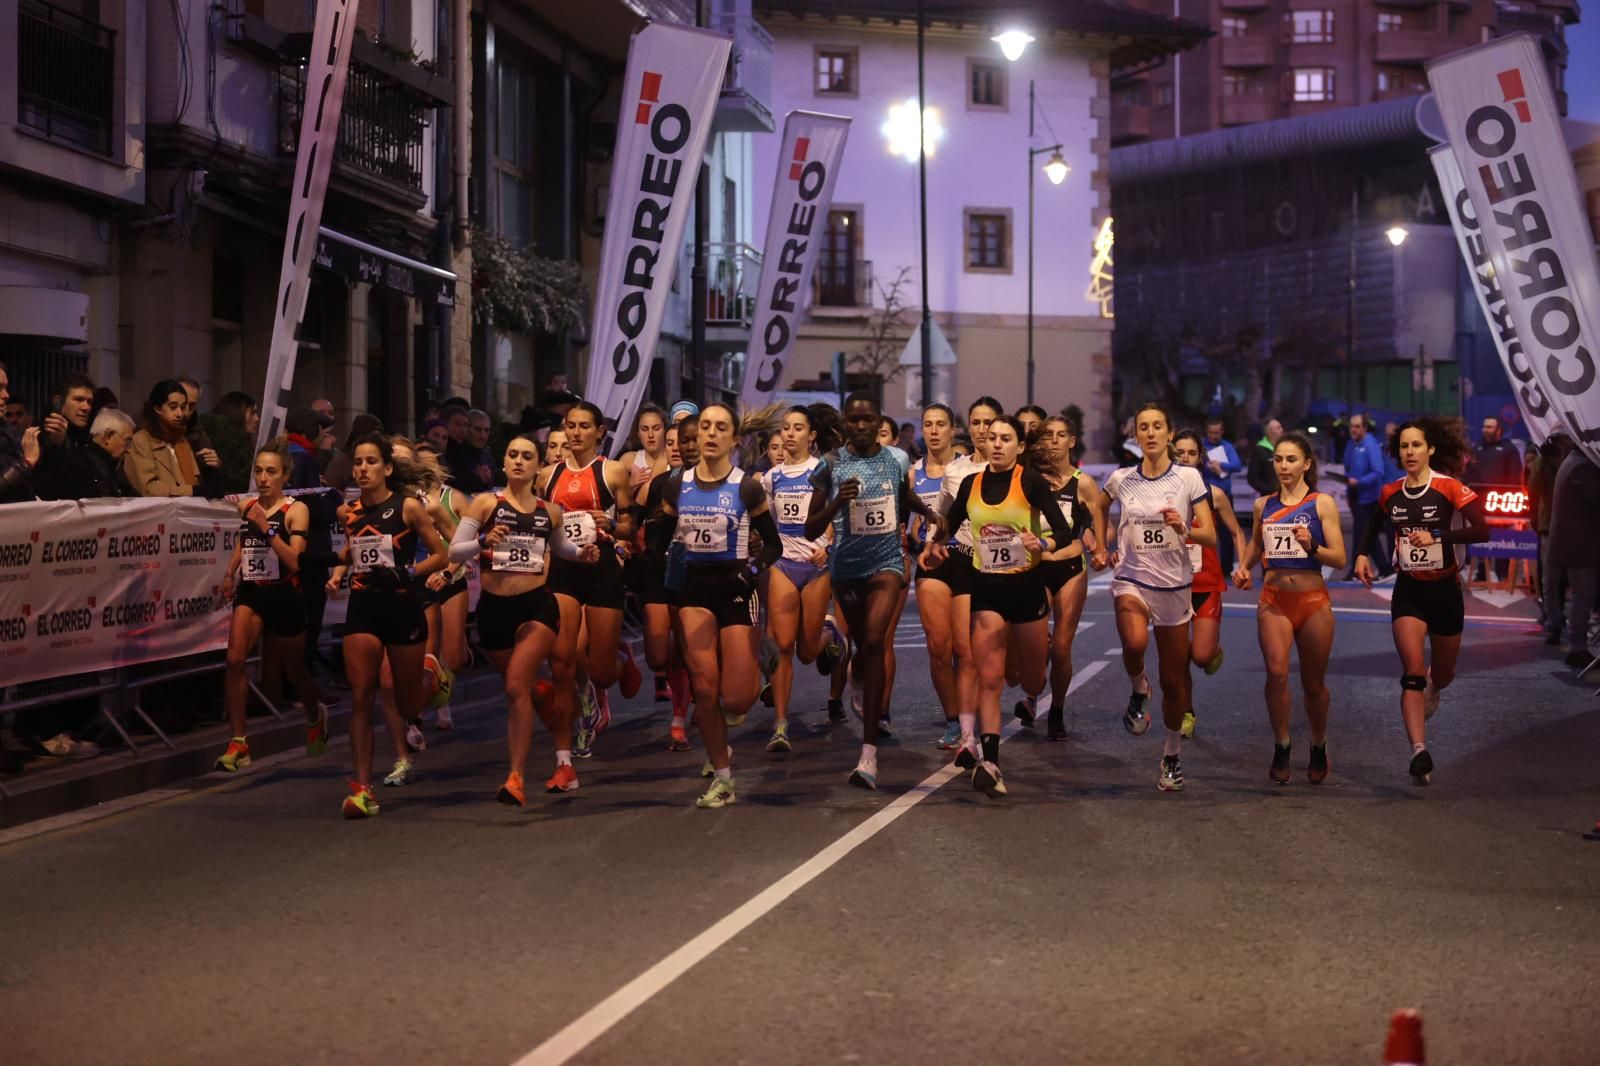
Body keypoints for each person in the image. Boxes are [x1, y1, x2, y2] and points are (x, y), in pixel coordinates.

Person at [926, 415, 1071, 797]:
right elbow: (950, 523)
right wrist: (934, 543)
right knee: (988, 678)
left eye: (1006, 438)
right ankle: (990, 762)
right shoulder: (972, 484)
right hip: (987, 588)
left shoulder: (1030, 482)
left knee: (1030, 680)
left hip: (1027, 589)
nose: (997, 444)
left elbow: (1064, 530)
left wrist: (1045, 544)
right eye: (992, 438)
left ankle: (1036, 680)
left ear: (1020, 447)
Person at [805, 392, 942, 791]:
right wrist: (835, 505)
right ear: (845, 424)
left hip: (886, 563)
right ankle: (859, 676)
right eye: (853, 420)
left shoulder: (897, 459)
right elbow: (811, 528)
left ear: (879, 420)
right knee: (863, 647)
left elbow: (902, 497)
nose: (861, 426)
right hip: (846, 567)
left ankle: (868, 755)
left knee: (874, 639)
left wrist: (930, 513)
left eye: (867, 419)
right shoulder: (830, 465)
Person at [448, 435, 595, 803]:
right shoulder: (486, 503)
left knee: (516, 685)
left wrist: (584, 554)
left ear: (536, 467)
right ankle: (564, 760)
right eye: (511, 454)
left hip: (536, 607)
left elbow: (561, 547)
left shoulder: (551, 510)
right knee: (529, 690)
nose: (518, 461)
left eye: (526, 456)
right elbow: (454, 549)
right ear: (504, 463)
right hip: (494, 610)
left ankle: (515, 777)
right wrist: (482, 541)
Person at [651, 403, 782, 808]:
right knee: (705, 690)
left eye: (719, 427)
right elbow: (659, 537)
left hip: (737, 589)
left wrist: (753, 568)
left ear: (734, 439)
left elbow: (773, 545)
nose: (709, 434)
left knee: (737, 700)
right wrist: (664, 551)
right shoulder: (676, 485)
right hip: (694, 591)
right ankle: (722, 776)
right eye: (704, 426)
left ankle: (762, 653)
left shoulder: (747, 487)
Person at [1353, 417, 1489, 786]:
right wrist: (1362, 553)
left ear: (1430, 449)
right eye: (1404, 447)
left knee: (1442, 674)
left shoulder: (1449, 488)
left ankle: (1436, 687)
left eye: (1416, 446)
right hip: (1409, 591)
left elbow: (1482, 529)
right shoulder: (1390, 492)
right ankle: (1418, 751)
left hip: (1446, 592)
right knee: (1412, 671)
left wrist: (1438, 538)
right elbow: (1373, 522)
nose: (1410, 452)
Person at [1091, 402, 1216, 792]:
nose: (1149, 433)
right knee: (1134, 640)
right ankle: (1138, 687)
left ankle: (1172, 754)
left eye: (1156, 426)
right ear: (1136, 434)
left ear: (1169, 433)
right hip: (1132, 576)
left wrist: (1186, 528)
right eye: (1142, 427)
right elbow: (1099, 503)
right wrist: (1100, 541)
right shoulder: (1122, 477)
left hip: (1174, 586)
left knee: (1175, 680)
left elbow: (1210, 534)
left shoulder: (1189, 478)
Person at [326, 434, 449, 818]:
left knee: (407, 699)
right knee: (362, 694)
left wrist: (405, 572)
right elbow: (354, 550)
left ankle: (433, 678)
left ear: (387, 468)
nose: (363, 469)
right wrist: (341, 564)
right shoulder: (349, 511)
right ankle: (363, 789)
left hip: (402, 607)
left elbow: (442, 554)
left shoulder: (408, 507)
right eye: (358, 463)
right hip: (364, 608)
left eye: (371, 462)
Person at [1232, 433, 1344, 784]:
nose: (1283, 466)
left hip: (1312, 601)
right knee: (1277, 674)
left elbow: (1339, 558)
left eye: (1291, 459)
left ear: (1307, 464)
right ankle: (1282, 744)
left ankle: (1318, 743)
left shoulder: (1322, 503)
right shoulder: (1263, 505)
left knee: (1313, 685)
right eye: (1278, 459)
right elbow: (1254, 543)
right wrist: (1243, 567)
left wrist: (1311, 547)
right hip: (1274, 599)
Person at [214, 441, 330, 773]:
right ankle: (239, 742)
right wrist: (229, 571)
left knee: (295, 670)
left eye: (271, 472)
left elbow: (294, 561)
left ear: (285, 475)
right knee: (235, 659)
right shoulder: (247, 507)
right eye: (259, 471)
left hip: (284, 593)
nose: (263, 478)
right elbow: (243, 539)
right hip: (252, 590)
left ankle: (314, 715)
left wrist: (267, 530)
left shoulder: (296, 510)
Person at [541, 400, 640, 770]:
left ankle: (618, 659)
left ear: (599, 432)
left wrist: (612, 526)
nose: (576, 432)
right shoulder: (547, 476)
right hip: (565, 570)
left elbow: (631, 526)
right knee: (563, 657)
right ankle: (577, 725)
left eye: (585, 426)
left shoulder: (612, 472)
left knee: (600, 671)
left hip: (602, 570)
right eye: (571, 425)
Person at [918, 396, 1002, 752]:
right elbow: (941, 516)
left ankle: (979, 713)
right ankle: (957, 722)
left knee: (973, 653)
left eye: (989, 422)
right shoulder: (956, 471)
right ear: (968, 427)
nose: (983, 429)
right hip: (951, 558)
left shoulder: (1013, 470)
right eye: (977, 422)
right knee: (941, 647)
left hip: (991, 566)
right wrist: (928, 545)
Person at [760, 406, 834, 753]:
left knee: (806, 651)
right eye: (786, 428)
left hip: (816, 566)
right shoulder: (771, 478)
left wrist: (828, 548)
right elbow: (769, 525)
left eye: (798, 428)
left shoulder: (823, 471)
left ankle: (831, 636)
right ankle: (780, 725)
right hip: (784, 565)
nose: (789, 434)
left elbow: (839, 517)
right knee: (783, 646)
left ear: (812, 435)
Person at [1031, 414, 1104, 740]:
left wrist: (1100, 547)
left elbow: (1100, 518)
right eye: (1049, 435)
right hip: (1034, 566)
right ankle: (1032, 692)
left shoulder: (1083, 482)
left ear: (1072, 441)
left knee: (1061, 648)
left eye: (1062, 435)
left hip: (1070, 567)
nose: (1055, 441)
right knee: (1032, 646)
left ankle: (1056, 710)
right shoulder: (1030, 478)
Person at [1173, 428, 1248, 737]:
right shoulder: (1163, 493)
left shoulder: (1214, 494)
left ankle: (1212, 651)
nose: (1186, 458)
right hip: (1173, 586)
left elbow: (1237, 533)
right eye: (1180, 454)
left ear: (1200, 457)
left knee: (1200, 656)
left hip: (1206, 586)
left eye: (1191, 453)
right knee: (1177, 659)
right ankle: (1186, 712)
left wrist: (1242, 566)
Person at [908, 403, 964, 748]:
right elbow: (911, 527)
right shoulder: (913, 474)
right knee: (938, 647)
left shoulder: (968, 468)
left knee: (966, 648)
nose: (933, 430)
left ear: (952, 428)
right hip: (932, 564)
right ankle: (954, 719)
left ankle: (972, 711)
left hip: (968, 560)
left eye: (940, 424)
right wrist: (917, 535)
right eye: (927, 424)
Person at [1545, 447, 1600, 670]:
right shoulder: (1583, 466)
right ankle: (1577, 648)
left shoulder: (1573, 461)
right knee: (1582, 596)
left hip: (1572, 543)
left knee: (1578, 595)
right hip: (1579, 544)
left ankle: (1574, 642)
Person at [124, 379, 224, 497]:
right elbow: (148, 488)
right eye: (173, 407)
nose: (180, 414)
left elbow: (196, 481)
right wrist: (193, 491)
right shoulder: (141, 440)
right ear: (157, 409)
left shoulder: (181, 439)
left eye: (182, 407)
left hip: (187, 510)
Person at [32, 373, 97, 501]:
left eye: (89, 402)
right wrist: (57, 445)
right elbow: (45, 485)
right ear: (58, 402)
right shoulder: (42, 434)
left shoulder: (86, 438)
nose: (86, 407)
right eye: (78, 400)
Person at [1342, 413, 1390, 580]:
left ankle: (1356, 571)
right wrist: (1349, 491)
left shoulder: (1371, 445)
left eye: (1357, 426)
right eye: (1351, 426)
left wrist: (1359, 483)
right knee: (1367, 534)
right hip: (1356, 495)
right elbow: (1348, 470)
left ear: (1364, 428)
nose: (1353, 430)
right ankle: (1384, 568)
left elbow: (1378, 472)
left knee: (1361, 534)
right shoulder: (1350, 445)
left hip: (1368, 497)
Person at [1199, 417, 1242, 572]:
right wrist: (1205, 464)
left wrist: (1221, 465)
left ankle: (1226, 568)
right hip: (1203, 496)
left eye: (1217, 433)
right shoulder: (1200, 445)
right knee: (1202, 532)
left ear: (1222, 431)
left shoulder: (1227, 446)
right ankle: (1202, 566)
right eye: (1211, 433)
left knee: (1227, 533)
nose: (1214, 436)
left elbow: (1237, 465)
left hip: (1225, 495)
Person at [0, 363, 36, 503]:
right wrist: (26, 463)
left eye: (5, 387)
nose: (6, 395)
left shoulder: (7, 431)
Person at [1246, 418, 1283, 497]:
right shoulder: (1259, 450)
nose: (1282, 430)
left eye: (1281, 427)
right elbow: (1252, 477)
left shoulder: (1286, 448)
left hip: (1287, 496)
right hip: (1268, 497)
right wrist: (1268, 491)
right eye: (1278, 428)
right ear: (1269, 433)